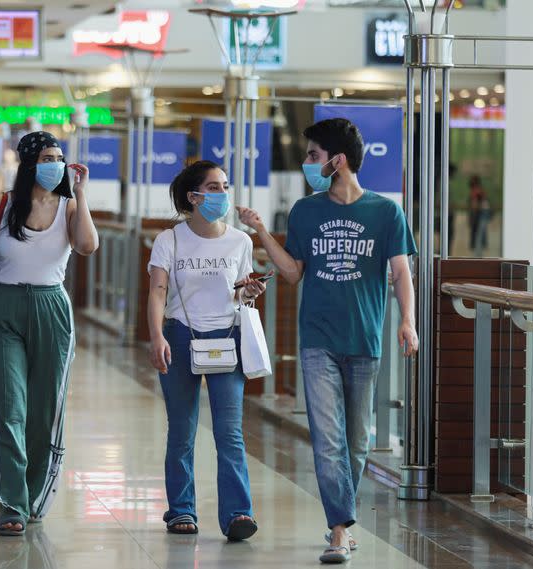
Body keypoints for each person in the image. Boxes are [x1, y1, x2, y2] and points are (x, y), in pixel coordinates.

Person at [237, 118, 418, 564]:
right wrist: (261, 231)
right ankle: (340, 528)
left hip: (364, 339)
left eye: (314, 156)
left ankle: (342, 520)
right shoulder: (305, 210)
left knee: (357, 440)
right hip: (317, 338)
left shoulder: (385, 212)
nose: (308, 164)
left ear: (337, 161)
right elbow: (295, 272)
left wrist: (408, 321)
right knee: (329, 437)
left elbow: (400, 273)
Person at [0, 131, 98, 536]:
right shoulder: (2, 205)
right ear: (28, 163)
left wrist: (81, 194)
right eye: (47, 157)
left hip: (52, 309)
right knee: (9, 407)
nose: (55, 164)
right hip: (3, 309)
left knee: (44, 412)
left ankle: (34, 493)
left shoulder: (70, 206)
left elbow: (87, 246)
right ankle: (11, 503)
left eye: (59, 157)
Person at [147, 160, 266, 541]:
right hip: (181, 335)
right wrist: (156, 336)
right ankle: (181, 509)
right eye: (214, 187)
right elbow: (157, 291)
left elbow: (239, 289)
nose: (222, 194)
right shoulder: (170, 240)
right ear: (193, 196)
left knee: (229, 432)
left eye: (225, 186)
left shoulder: (240, 241)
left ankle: (238, 514)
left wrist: (248, 291)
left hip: (226, 337)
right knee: (182, 429)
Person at [468, 175, 487, 252]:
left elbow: (477, 204)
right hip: (477, 216)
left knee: (478, 237)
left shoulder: (478, 191)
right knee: (477, 237)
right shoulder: (477, 191)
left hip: (478, 216)